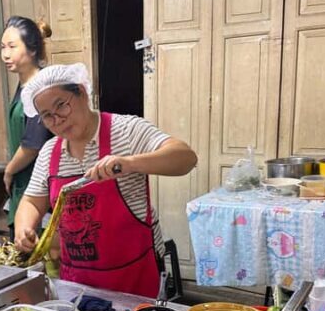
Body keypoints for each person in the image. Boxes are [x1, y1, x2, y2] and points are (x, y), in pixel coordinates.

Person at [13, 63, 198, 297]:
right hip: (77, 284)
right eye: (47, 116)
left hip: (134, 280)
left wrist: (129, 163)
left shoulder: (127, 130)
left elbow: (186, 158)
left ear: (81, 91)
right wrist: (23, 229)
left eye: (61, 105)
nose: (57, 120)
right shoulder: (50, 152)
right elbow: (31, 201)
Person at [0, 16, 54, 236]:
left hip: (39, 183)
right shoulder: (23, 85)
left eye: (12, 46)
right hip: (24, 181)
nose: (5, 53)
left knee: (38, 252)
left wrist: (9, 170)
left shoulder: (41, 87)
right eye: (3, 47)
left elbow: (33, 144)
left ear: (32, 50)